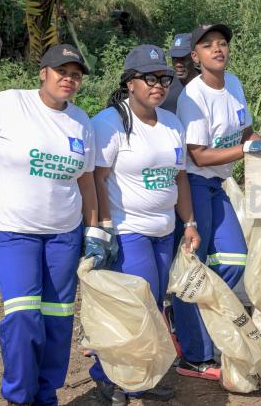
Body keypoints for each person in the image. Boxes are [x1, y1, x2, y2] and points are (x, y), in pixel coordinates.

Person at [0, 43, 110, 406]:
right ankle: (19, 397)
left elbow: (87, 181)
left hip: (64, 235)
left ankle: (46, 397)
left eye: (76, 75)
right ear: (43, 72)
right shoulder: (10, 103)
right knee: (23, 318)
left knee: (58, 322)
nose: (69, 79)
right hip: (14, 231)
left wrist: (93, 229)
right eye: (62, 71)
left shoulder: (81, 121)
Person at [174, 23, 261, 381]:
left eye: (223, 43)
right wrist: (248, 149)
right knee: (194, 269)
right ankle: (194, 355)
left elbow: (247, 133)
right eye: (208, 45)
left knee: (234, 258)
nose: (218, 49)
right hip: (196, 185)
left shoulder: (234, 84)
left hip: (220, 183)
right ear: (195, 57)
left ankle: (194, 317)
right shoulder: (193, 97)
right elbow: (198, 155)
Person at [88, 44, 200, 405]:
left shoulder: (171, 123)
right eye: (149, 77)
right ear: (129, 82)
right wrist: (103, 225)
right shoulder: (109, 123)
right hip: (127, 228)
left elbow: (180, 179)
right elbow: (97, 178)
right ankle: (107, 377)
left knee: (153, 305)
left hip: (165, 230)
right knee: (133, 306)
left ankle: (141, 377)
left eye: (164, 77)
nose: (159, 84)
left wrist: (190, 222)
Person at [161, 32, 199, 113]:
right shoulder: (164, 82)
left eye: (183, 58)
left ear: (195, 57)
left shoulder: (206, 80)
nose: (178, 64)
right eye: (174, 59)